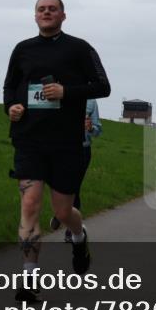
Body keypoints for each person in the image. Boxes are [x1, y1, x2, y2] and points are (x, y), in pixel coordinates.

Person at [3, 0, 110, 301]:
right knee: (30, 204)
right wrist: (11, 107)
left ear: (63, 15)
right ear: (35, 16)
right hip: (29, 139)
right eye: (41, 9)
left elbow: (103, 87)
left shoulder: (80, 48)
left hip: (66, 142)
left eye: (52, 9)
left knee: (63, 211)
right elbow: (10, 86)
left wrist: (67, 91)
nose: (46, 12)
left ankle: (78, 236)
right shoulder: (22, 49)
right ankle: (29, 278)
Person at [50, 98, 102, 241]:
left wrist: (90, 128)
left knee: (74, 188)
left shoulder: (91, 101)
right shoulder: (60, 95)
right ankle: (61, 213)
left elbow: (98, 130)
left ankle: (70, 230)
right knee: (59, 186)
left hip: (82, 150)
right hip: (60, 148)